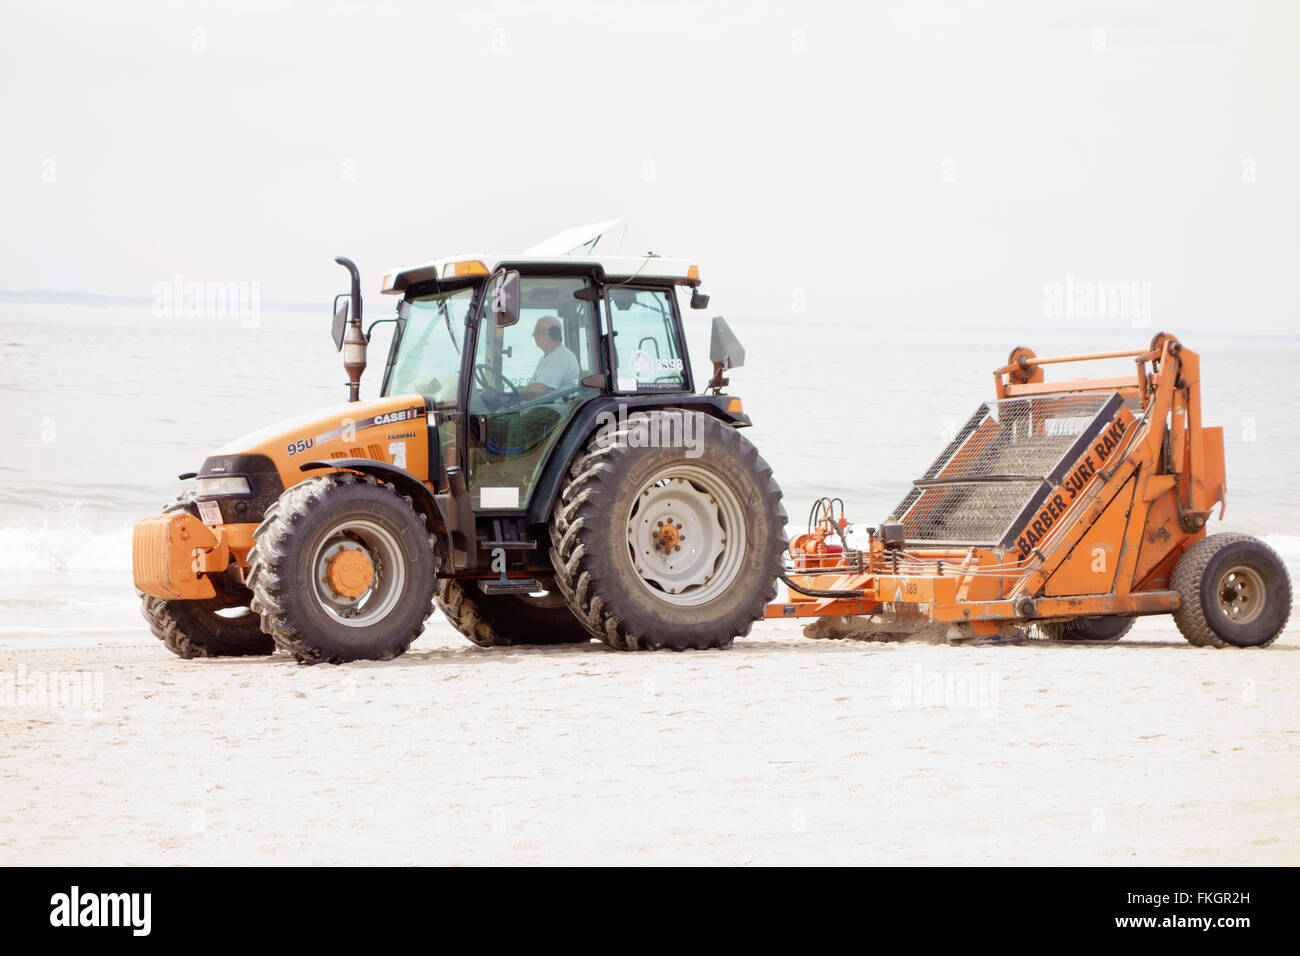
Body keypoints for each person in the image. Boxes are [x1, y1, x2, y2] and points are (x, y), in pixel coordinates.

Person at [520, 316, 580, 398]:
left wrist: (518, 391)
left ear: (550, 332)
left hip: (555, 408)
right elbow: (532, 387)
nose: (533, 335)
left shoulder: (561, 356)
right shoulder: (545, 358)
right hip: (543, 405)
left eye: (537, 331)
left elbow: (540, 389)